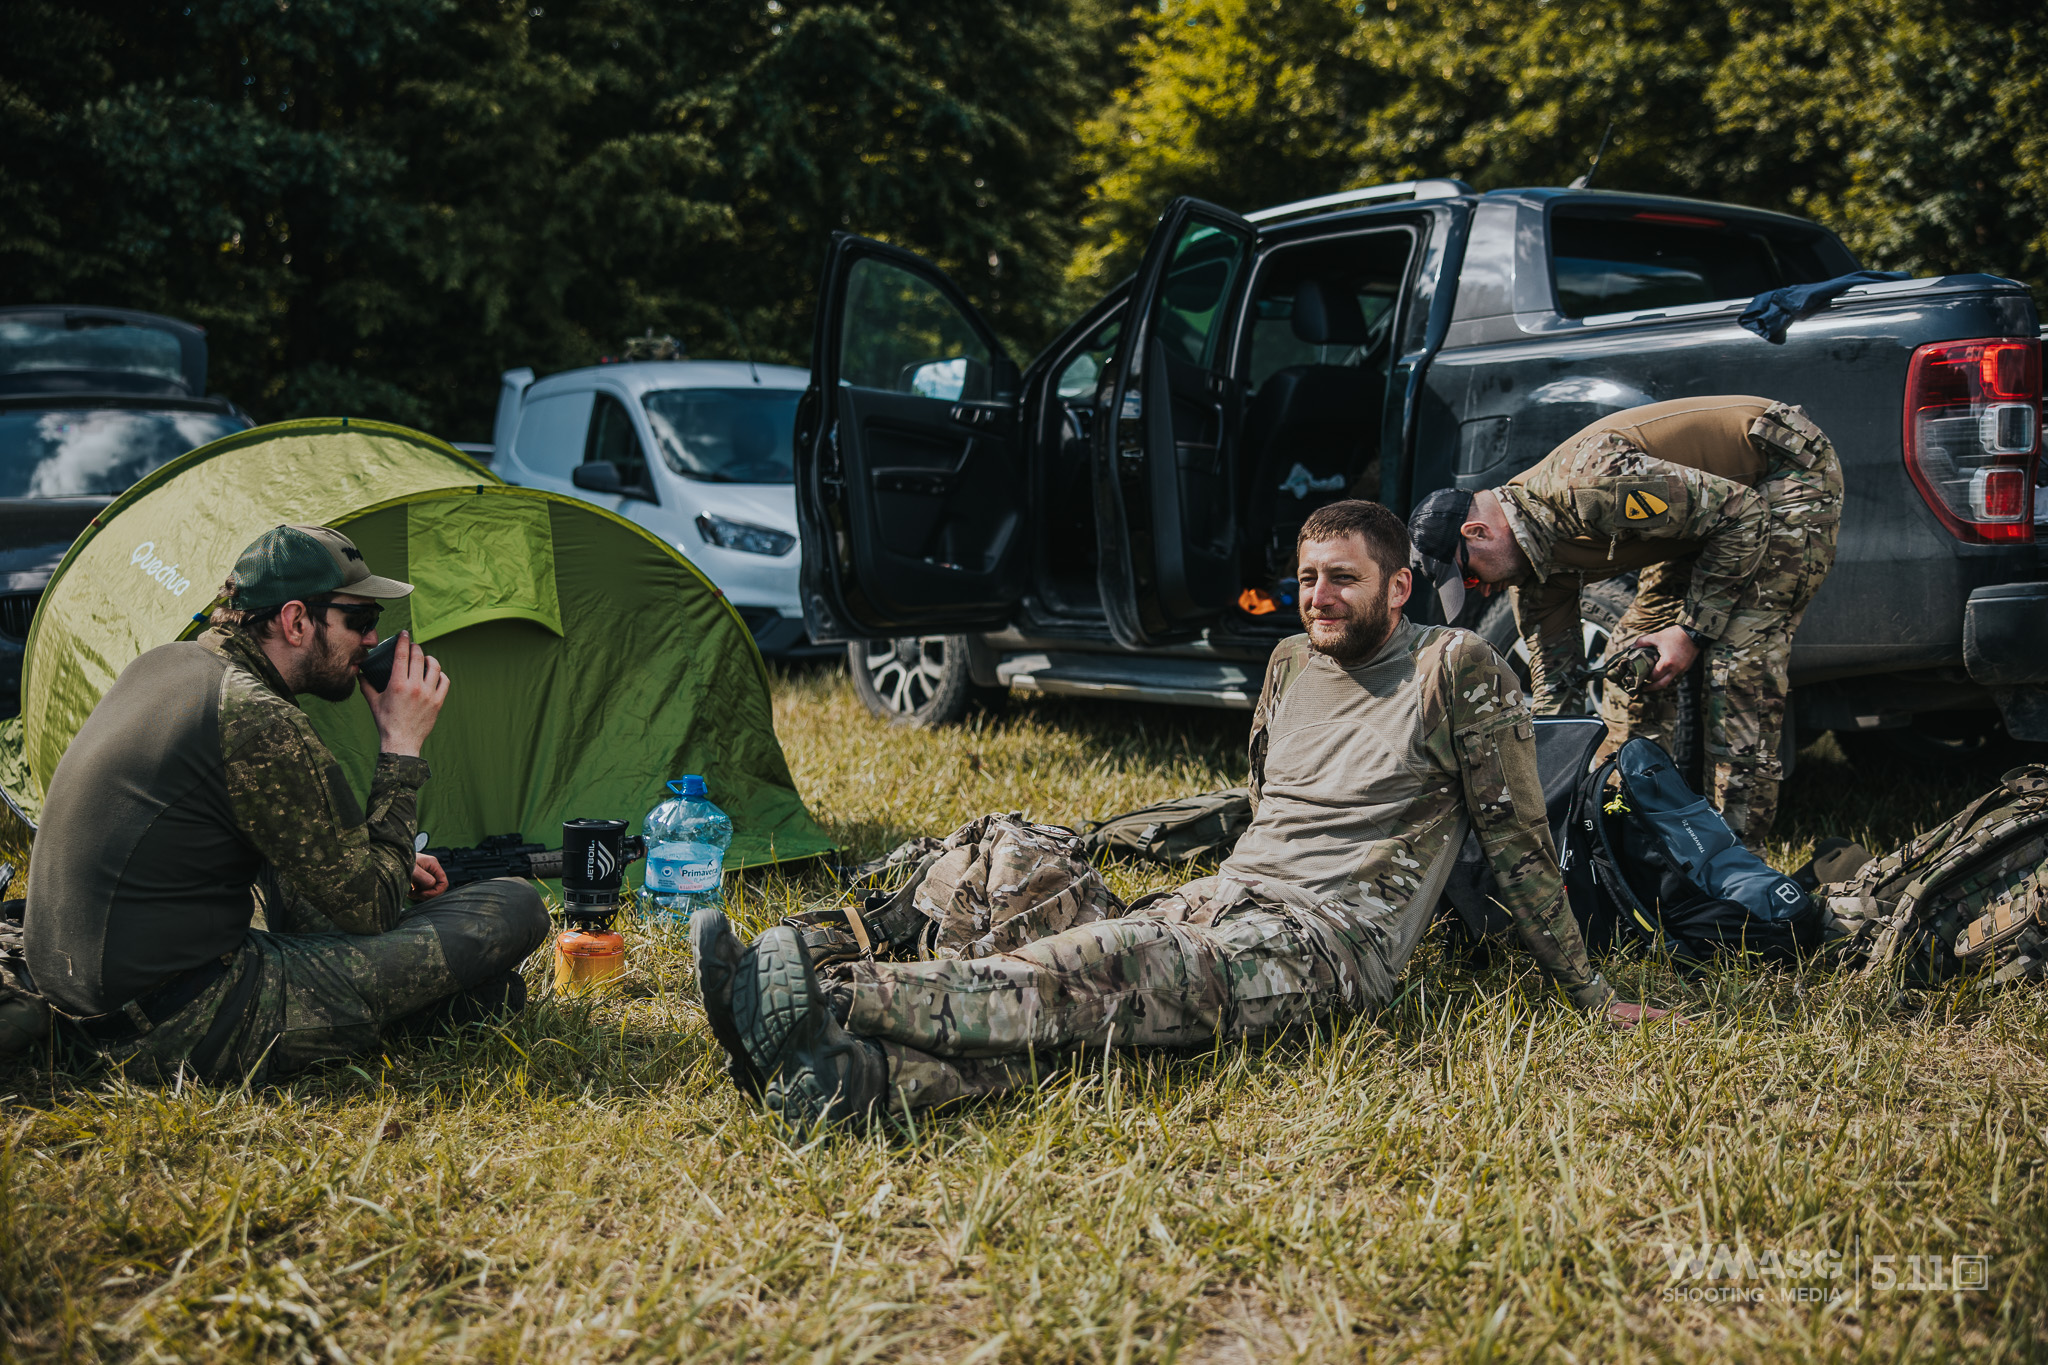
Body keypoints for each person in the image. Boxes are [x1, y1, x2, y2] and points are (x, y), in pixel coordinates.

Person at [693, 500, 1671, 1130]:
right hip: (1222, 900)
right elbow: (1260, 805)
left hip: (1328, 940)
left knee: (1106, 969)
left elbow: (1516, 839)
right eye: (1307, 577)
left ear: (1400, 586)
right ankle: (849, 1081)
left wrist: (1584, 989)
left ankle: (825, 1000)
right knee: (1089, 1019)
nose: (1318, 596)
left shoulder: (1452, 667)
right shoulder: (1288, 664)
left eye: (1343, 577)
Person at [24, 524, 550, 1083]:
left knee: (461, 970)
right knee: (513, 907)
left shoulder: (165, 663)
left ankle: (438, 1003)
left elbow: (306, 859)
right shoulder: (257, 718)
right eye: (361, 621)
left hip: (87, 1002)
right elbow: (370, 908)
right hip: (177, 1025)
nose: (373, 642)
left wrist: (381, 861)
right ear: (297, 621)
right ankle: (421, 1006)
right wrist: (402, 744)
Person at [1407, 396, 1841, 847]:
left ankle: (1735, 864)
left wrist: (1690, 631)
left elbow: (1742, 514)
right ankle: (1640, 828)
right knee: (1629, 662)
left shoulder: (1589, 487)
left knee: (1735, 668)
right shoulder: (1536, 575)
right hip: (1707, 524)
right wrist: (1547, 799)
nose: (1483, 588)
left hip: (1782, 470)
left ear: (1478, 533)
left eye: (1472, 576)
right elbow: (1559, 691)